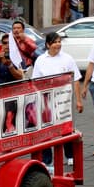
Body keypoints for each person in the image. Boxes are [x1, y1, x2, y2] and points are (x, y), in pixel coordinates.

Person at [31, 31, 85, 166]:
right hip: (46, 101)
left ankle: (70, 155)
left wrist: (78, 101)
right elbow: (35, 82)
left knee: (66, 128)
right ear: (48, 44)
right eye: (55, 42)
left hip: (64, 100)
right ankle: (47, 160)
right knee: (47, 129)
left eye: (59, 41)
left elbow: (76, 80)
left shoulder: (67, 59)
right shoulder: (41, 60)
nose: (58, 44)